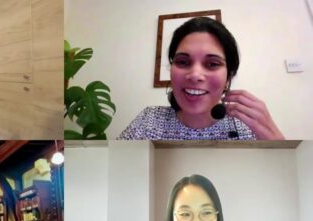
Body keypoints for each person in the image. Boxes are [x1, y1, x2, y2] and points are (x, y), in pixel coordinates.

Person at [119, 17, 284, 140]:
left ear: (228, 76)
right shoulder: (148, 120)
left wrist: (277, 143)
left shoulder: (248, 129)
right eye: (183, 62)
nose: (195, 75)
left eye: (212, 64)